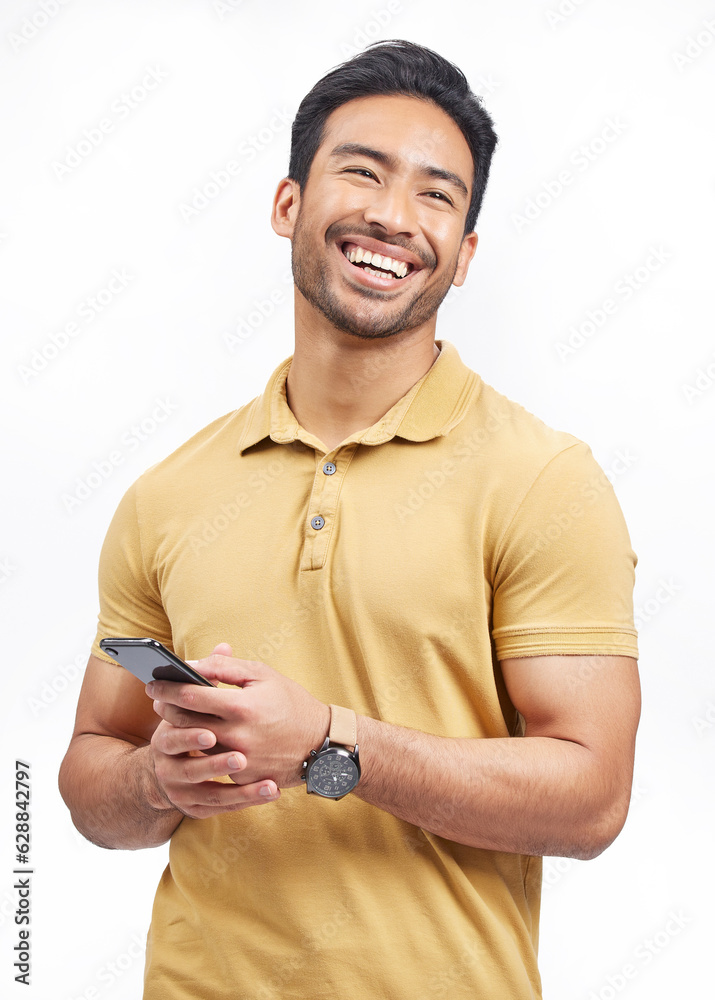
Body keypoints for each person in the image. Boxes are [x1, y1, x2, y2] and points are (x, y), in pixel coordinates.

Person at [59, 39, 640, 1000]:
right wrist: (157, 781)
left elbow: (591, 801)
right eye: (361, 172)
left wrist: (331, 745)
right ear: (288, 204)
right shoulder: (167, 494)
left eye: (436, 196)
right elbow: (89, 775)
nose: (391, 216)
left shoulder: (544, 481)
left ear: (463, 256)